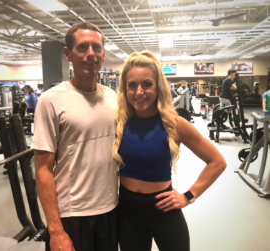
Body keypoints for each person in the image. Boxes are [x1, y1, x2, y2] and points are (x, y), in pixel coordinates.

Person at [113, 51, 226, 251]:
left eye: (147, 84)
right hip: (127, 211)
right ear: (125, 88)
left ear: (158, 87)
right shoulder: (119, 122)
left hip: (163, 208)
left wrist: (188, 196)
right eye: (132, 85)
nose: (139, 92)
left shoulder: (174, 124)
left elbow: (217, 161)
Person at [32, 23, 119, 251]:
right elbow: (42, 169)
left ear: (103, 53)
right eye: (82, 47)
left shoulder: (113, 98)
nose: (91, 54)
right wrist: (55, 230)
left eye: (96, 47)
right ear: (68, 54)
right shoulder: (51, 100)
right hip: (72, 215)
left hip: (110, 210)